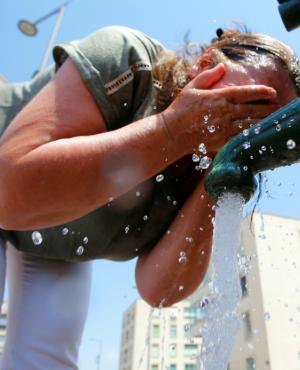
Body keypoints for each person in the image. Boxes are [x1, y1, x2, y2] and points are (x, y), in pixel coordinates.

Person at [0, 25, 298, 369]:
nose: (239, 123)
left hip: (56, 238)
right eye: (242, 103)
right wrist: (175, 130)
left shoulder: (206, 172)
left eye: (256, 126)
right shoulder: (131, 62)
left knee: (46, 358)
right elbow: (10, 192)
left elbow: (161, 290)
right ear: (203, 65)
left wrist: (223, 171)